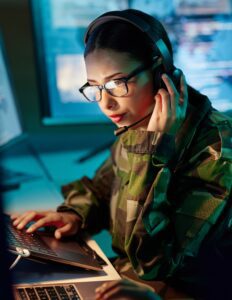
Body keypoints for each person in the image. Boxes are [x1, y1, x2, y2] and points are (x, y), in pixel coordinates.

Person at [11, 9, 232, 300]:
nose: (106, 103)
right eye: (96, 87)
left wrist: (153, 150)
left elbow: (153, 263)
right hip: (125, 282)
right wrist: (75, 215)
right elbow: (105, 187)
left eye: (117, 84)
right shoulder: (139, 117)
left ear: (159, 72)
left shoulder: (218, 151)